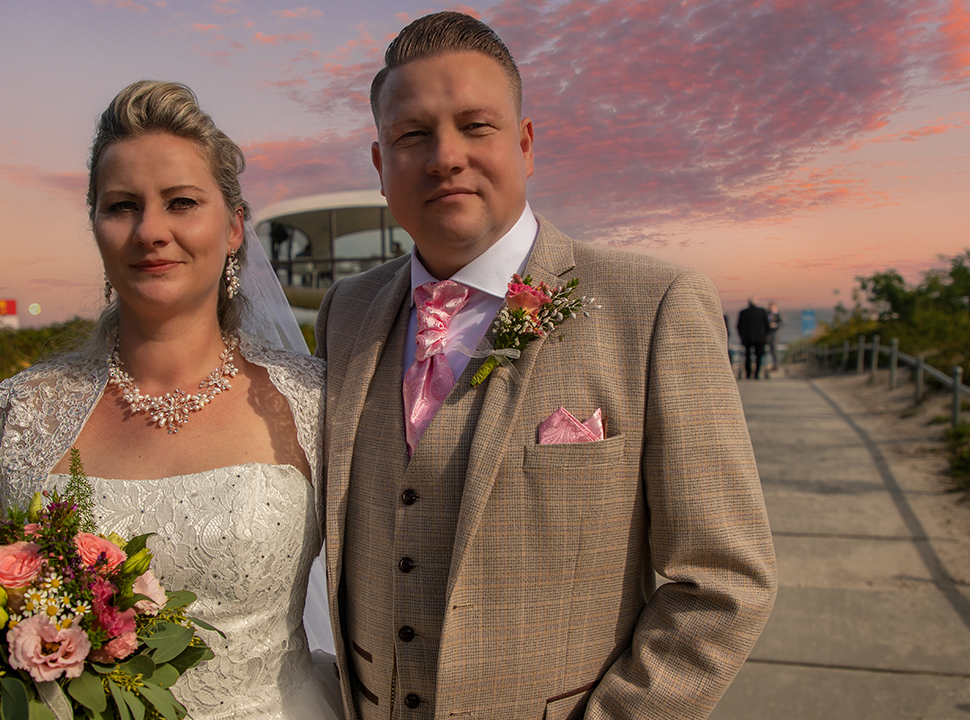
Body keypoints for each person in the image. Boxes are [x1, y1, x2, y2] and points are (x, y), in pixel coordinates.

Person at [314, 12, 776, 719]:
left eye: (476, 126)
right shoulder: (345, 312)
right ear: (381, 166)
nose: (444, 156)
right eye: (412, 135)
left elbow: (724, 581)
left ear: (525, 145)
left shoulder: (652, 306)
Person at [0, 81, 343, 719]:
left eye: (181, 202)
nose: (151, 231)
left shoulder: (313, 400)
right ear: (95, 225)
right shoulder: (21, 413)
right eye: (122, 206)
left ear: (233, 228)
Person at [737, 297, 770, 380]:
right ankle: (757, 374)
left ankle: (748, 374)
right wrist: (766, 335)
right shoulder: (762, 311)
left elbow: (739, 326)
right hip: (760, 338)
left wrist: (741, 336)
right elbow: (767, 325)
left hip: (747, 338)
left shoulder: (743, 312)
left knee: (747, 356)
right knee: (759, 356)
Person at [766, 302, 783, 371]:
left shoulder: (778, 315)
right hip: (768, 334)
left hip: (775, 334)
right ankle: (768, 365)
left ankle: (776, 365)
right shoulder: (767, 314)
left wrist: (775, 325)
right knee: (769, 350)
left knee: (774, 349)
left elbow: (782, 322)